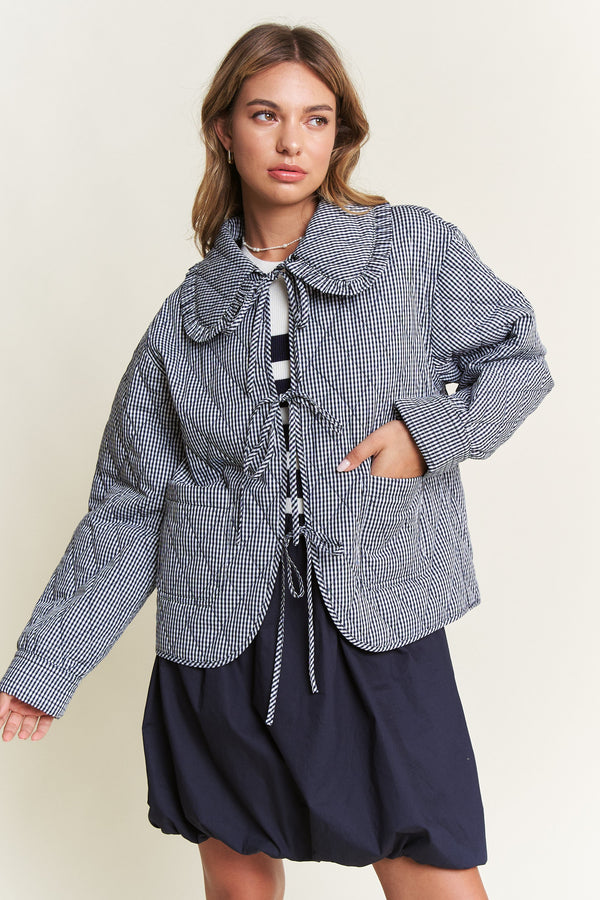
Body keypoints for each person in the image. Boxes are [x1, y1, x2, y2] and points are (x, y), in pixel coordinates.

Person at [0, 22, 553, 900]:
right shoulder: (185, 321)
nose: (292, 141)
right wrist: (47, 667)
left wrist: (428, 435)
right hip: (219, 628)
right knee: (236, 878)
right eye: (266, 115)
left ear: (339, 136)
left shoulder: (412, 250)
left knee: (432, 865)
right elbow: (130, 506)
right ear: (225, 129)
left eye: (315, 119)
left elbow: (517, 360)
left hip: (379, 613)